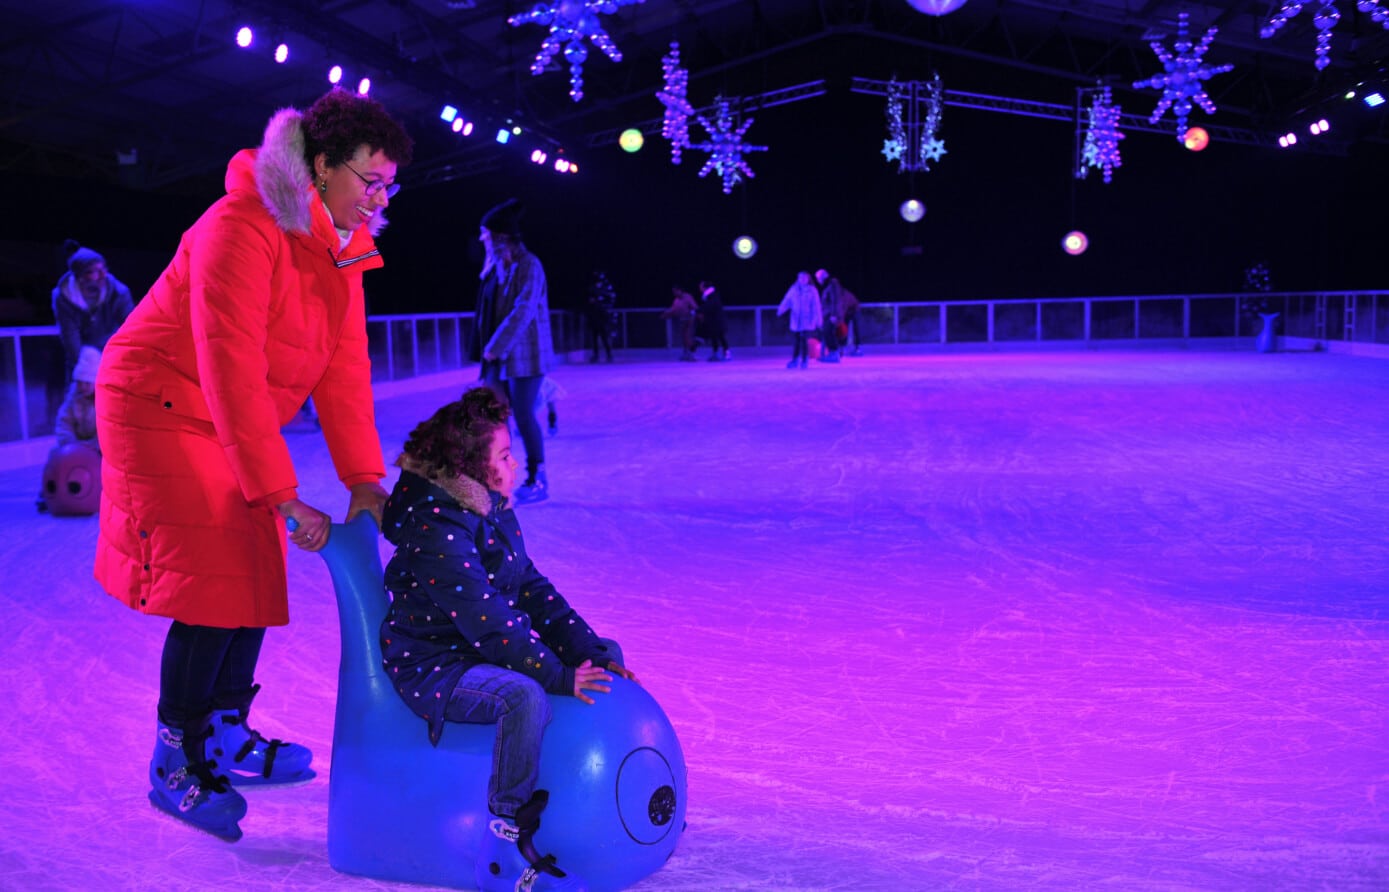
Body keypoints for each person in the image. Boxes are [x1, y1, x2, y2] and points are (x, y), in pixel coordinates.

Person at [93, 87, 413, 843]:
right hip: (158, 404)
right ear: (323, 166)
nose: (379, 196)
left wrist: (364, 478)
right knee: (215, 581)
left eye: (388, 185)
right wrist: (279, 490)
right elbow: (229, 365)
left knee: (255, 575)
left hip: (222, 418)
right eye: (369, 180)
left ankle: (225, 734)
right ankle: (174, 758)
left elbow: (343, 370)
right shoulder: (241, 228)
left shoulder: (342, 252)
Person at [379, 386, 633, 892]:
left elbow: (533, 590)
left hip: (474, 647)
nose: (515, 464)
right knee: (524, 697)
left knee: (604, 659)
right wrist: (559, 674)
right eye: (504, 455)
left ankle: (595, 812)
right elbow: (490, 621)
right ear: (474, 466)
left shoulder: (487, 508)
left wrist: (587, 652)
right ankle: (504, 849)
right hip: (434, 663)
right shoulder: (437, 526)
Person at [473, 198, 554, 504]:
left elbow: (523, 310)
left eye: (486, 234)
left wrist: (494, 347)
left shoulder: (530, 265)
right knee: (495, 416)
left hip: (528, 354)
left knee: (522, 413)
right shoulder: (498, 267)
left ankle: (538, 478)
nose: (482, 240)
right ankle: (499, 479)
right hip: (501, 357)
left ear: (501, 236)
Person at [52, 240, 135, 384]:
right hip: (82, 361)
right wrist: (87, 370)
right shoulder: (63, 297)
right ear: (80, 277)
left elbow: (132, 330)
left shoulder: (119, 292)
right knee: (78, 399)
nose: (103, 274)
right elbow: (70, 336)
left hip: (113, 358)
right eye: (94, 271)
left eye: (103, 268)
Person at [38, 345, 103, 514]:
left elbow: (108, 426)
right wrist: (70, 443)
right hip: (76, 444)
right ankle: (49, 493)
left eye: (87, 383)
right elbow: (63, 422)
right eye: (80, 382)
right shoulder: (73, 398)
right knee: (55, 455)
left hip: (97, 446)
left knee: (107, 463)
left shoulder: (105, 400)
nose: (83, 386)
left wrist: (95, 444)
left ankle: (103, 494)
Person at [776, 271, 822, 369]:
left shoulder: (812, 290)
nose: (802, 280)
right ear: (798, 279)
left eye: (804, 278)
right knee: (796, 340)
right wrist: (781, 309)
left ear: (808, 279)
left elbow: (816, 305)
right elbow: (787, 300)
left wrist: (818, 319)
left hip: (807, 319)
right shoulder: (794, 290)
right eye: (800, 278)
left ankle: (805, 360)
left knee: (804, 340)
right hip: (796, 319)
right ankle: (795, 359)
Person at [584, 270, 618, 363]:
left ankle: (609, 355)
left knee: (605, 337)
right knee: (595, 338)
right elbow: (589, 301)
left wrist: (602, 305)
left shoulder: (605, 288)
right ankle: (596, 355)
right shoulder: (592, 289)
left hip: (602, 319)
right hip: (595, 319)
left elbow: (611, 298)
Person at [814, 268, 844, 363]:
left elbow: (835, 300)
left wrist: (834, 315)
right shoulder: (828, 286)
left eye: (818, 278)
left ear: (822, 277)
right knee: (827, 332)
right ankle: (833, 353)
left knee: (828, 332)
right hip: (829, 315)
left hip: (832, 315)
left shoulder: (832, 284)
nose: (817, 281)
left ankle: (835, 354)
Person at [662, 285, 698, 361]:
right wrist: (666, 313)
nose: (674, 293)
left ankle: (691, 354)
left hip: (689, 320)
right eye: (673, 292)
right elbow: (673, 310)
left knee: (688, 337)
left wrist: (694, 315)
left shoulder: (687, 297)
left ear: (680, 290)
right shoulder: (676, 300)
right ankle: (686, 353)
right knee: (684, 337)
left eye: (675, 291)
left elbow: (694, 307)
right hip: (682, 321)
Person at [698, 280, 730, 361]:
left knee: (721, 337)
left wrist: (697, 311)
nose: (700, 288)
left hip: (717, 320)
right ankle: (716, 353)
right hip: (713, 320)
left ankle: (726, 354)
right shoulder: (708, 296)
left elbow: (709, 306)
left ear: (705, 287)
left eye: (701, 286)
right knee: (714, 337)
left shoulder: (712, 296)